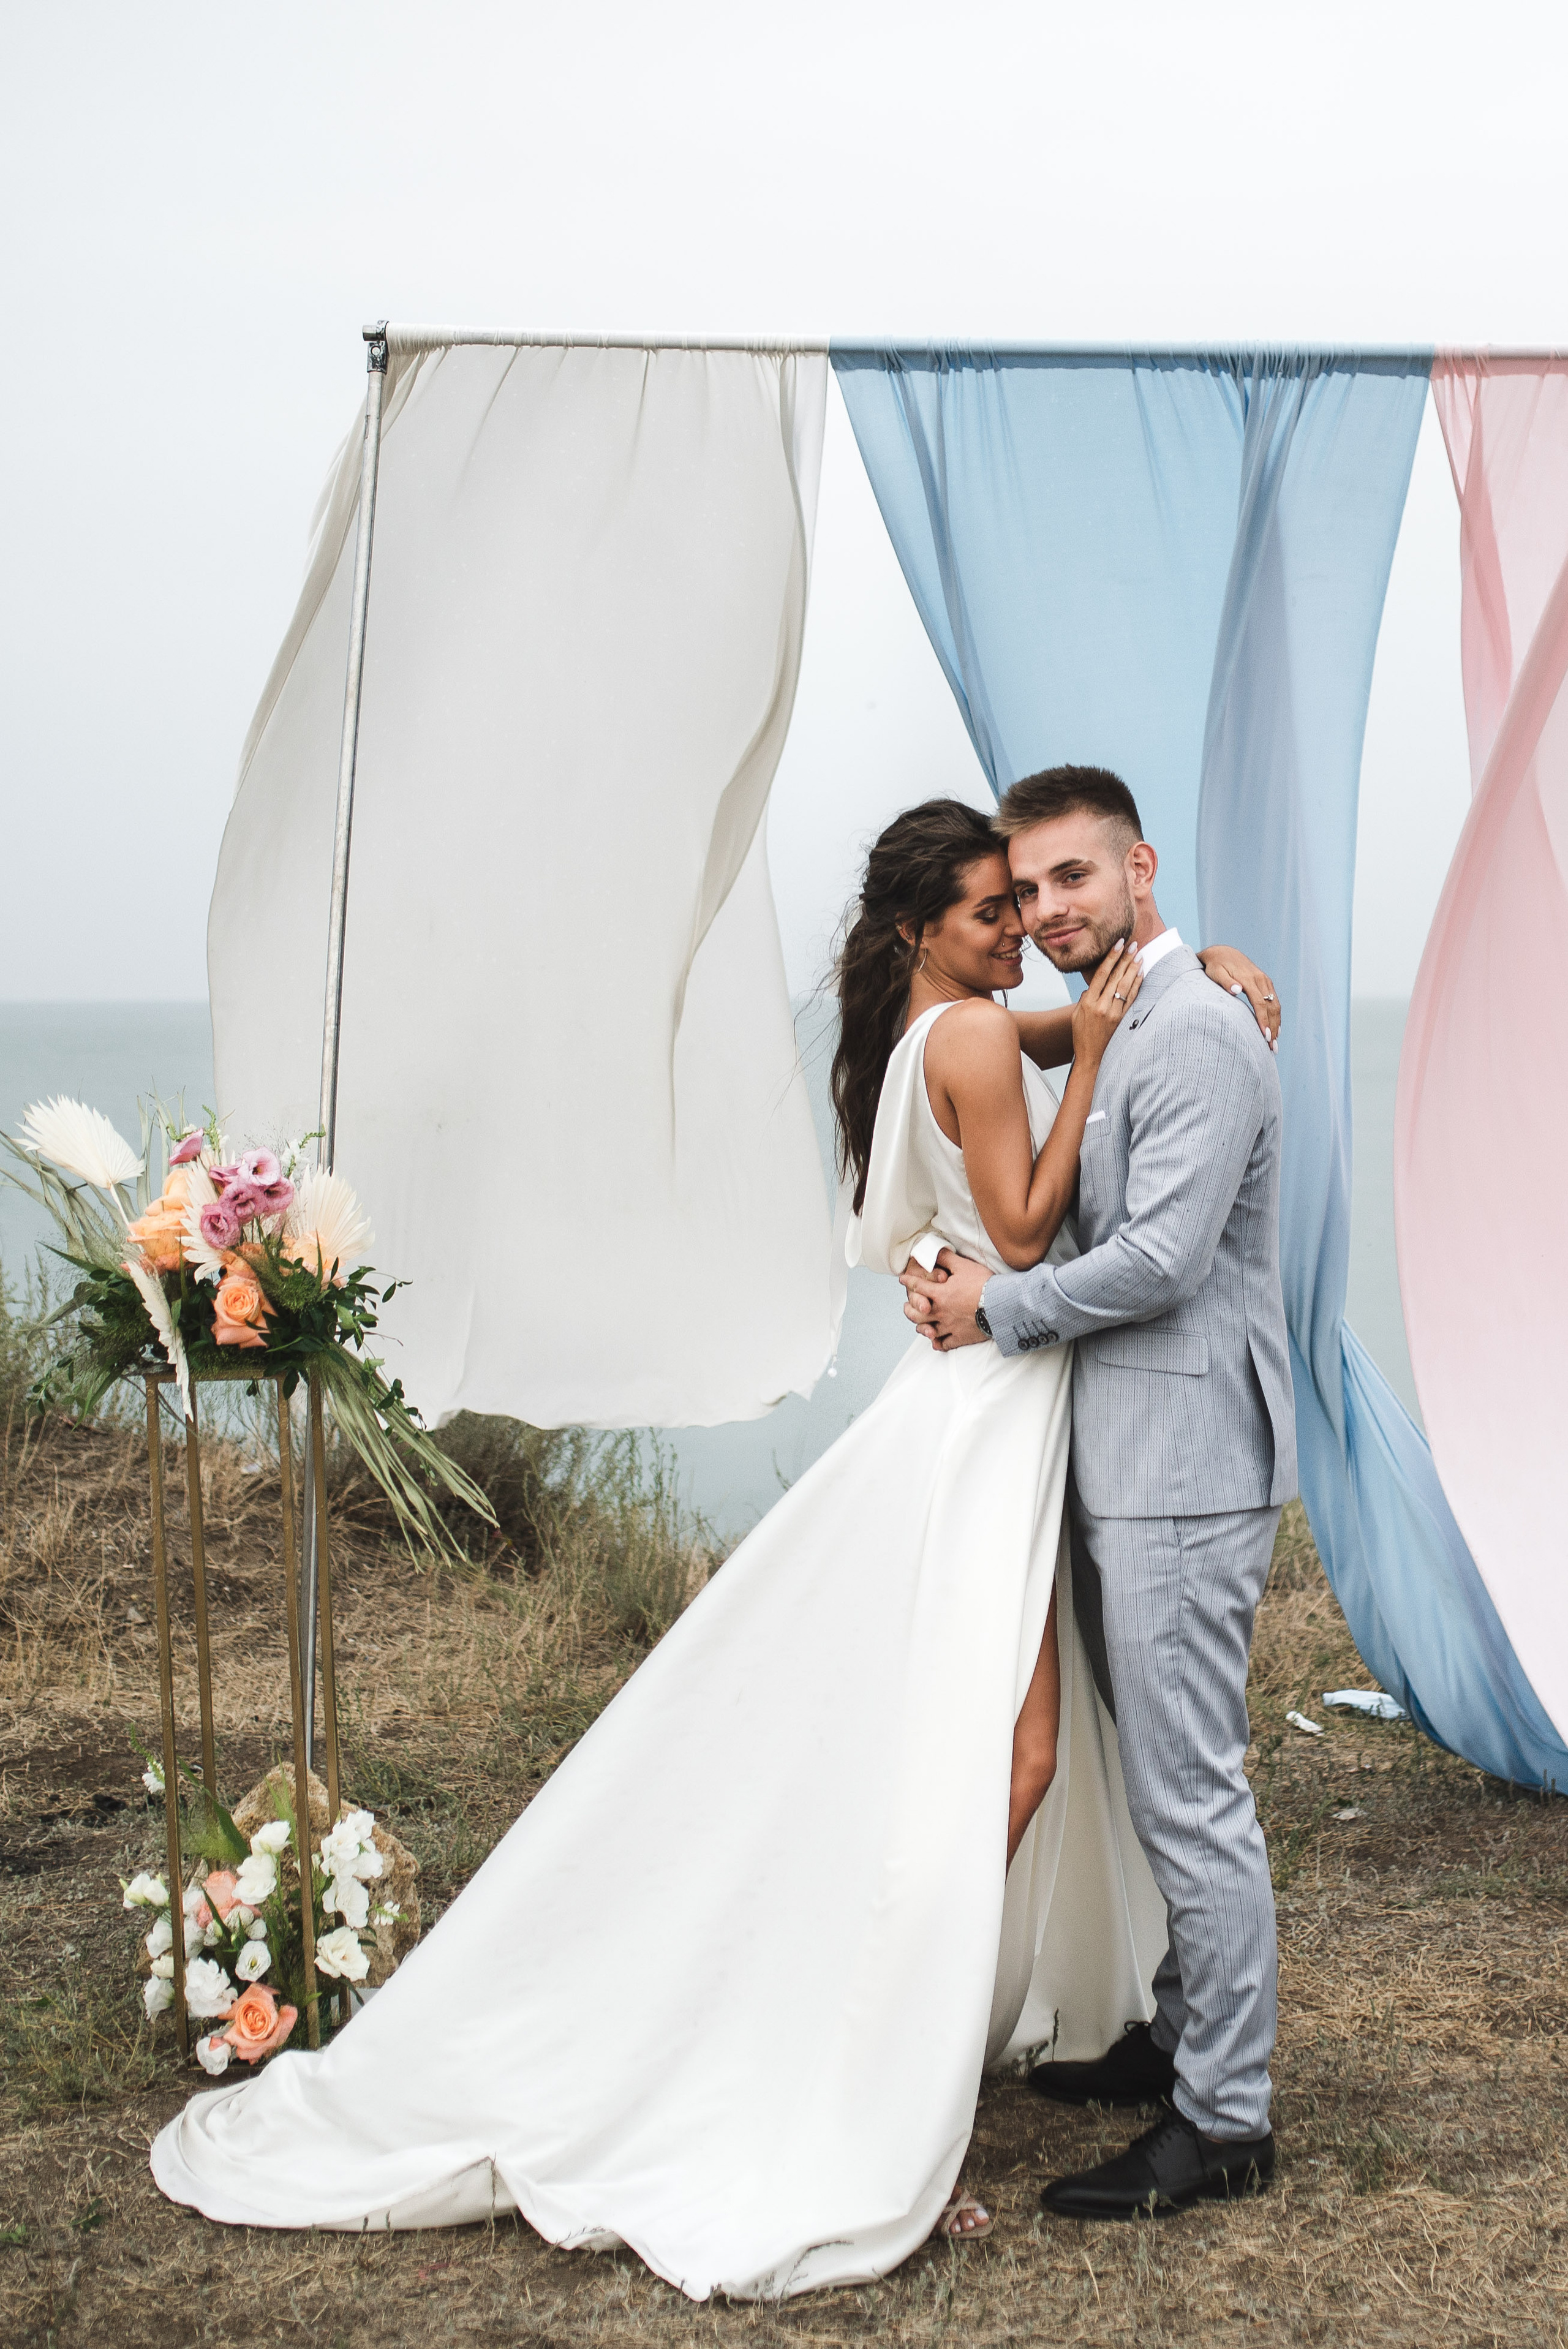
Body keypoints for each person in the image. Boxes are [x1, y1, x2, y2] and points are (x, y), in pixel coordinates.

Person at [151, 794, 1278, 2295]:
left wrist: (1192, 969)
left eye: (1043, 895)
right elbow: (1020, 1235)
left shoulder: (954, 1031)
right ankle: (880, 2039)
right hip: (993, 1401)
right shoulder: (965, 1042)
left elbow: (1089, 1040)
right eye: (999, 905)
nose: (1025, 924)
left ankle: (1054, 2036)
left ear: (1124, 876)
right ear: (920, 930)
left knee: (998, 1737)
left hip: (992, 1408)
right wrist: (1122, 1024)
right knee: (1001, 1750)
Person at [903, 764, 1295, 2220]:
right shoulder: (1126, 1011)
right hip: (1120, 1455)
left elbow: (1158, 1264)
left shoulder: (1191, 1030)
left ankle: (1227, 2116)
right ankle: (1182, 2033)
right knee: (1159, 1779)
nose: (1047, 908)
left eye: (1072, 878)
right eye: (1026, 890)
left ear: (1135, 867)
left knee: (1189, 1792)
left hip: (1184, 1465)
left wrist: (989, 1312)